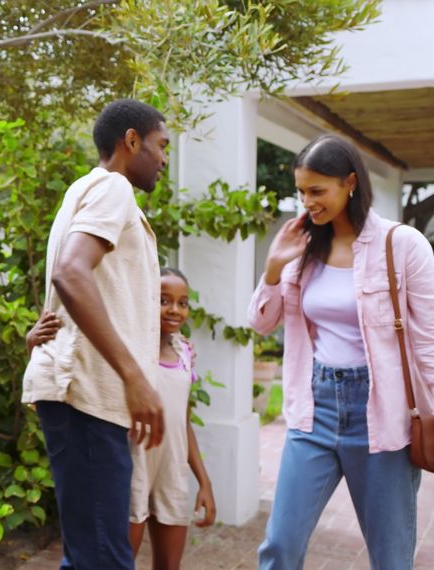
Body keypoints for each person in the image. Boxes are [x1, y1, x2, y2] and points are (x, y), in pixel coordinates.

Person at [248, 134, 434, 569]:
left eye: (317, 191)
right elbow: (261, 321)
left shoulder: (402, 245)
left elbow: (428, 341)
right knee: (280, 545)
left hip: (381, 414)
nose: (306, 202)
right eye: (300, 192)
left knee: (391, 556)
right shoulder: (301, 250)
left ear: (350, 183)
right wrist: (273, 267)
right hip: (314, 409)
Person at [21, 98, 169, 570]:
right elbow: (71, 273)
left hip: (83, 395)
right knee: (104, 557)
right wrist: (135, 377)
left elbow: (75, 283)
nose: (165, 158)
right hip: (86, 397)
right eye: (162, 146)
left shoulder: (83, 190)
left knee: (90, 554)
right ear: (131, 141)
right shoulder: (113, 188)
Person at [28, 268, 217, 570]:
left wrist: (204, 481)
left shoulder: (184, 352)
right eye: (164, 300)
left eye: (183, 303)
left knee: (170, 564)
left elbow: (183, 418)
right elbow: (67, 378)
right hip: (133, 464)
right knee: (115, 561)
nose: (174, 309)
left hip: (171, 468)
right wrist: (32, 344)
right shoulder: (127, 352)